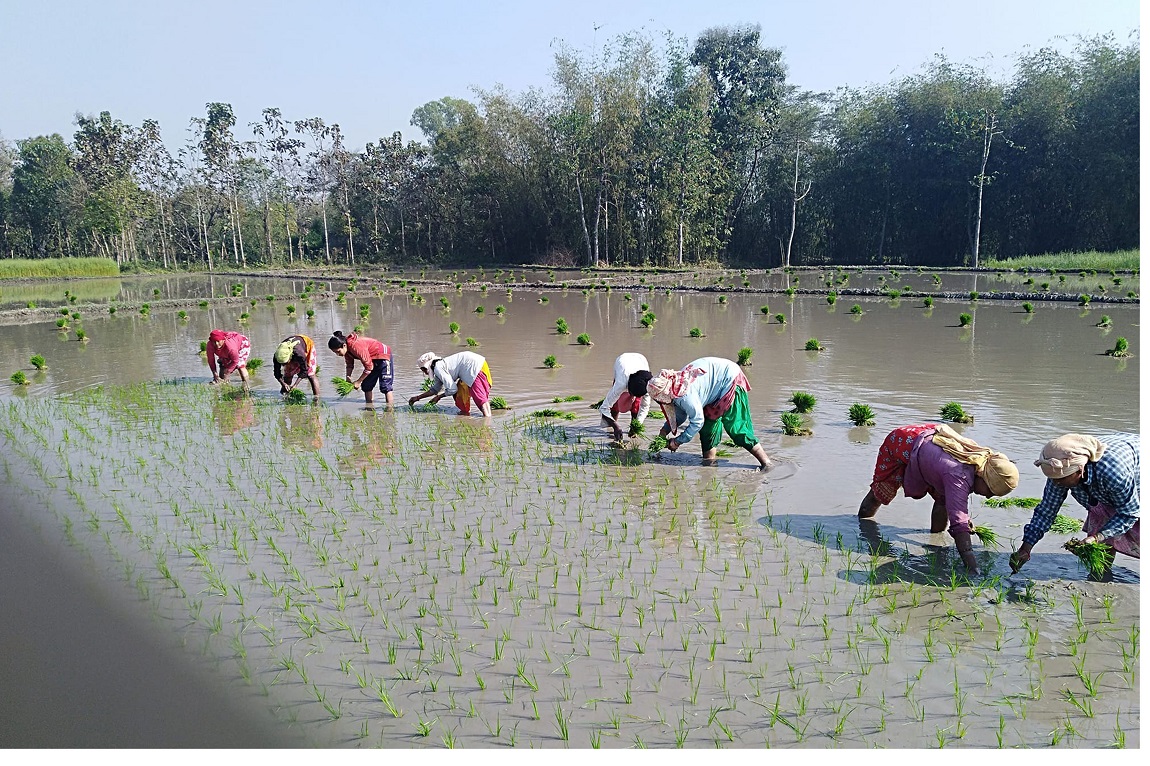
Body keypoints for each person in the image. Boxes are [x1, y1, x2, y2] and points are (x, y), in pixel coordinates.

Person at [858, 423, 1020, 574]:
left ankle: (935, 542)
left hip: (931, 444)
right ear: (984, 477)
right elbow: (958, 523)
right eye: (991, 491)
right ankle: (863, 528)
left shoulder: (980, 461)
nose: (989, 496)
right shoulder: (958, 475)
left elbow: (955, 506)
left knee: (943, 499)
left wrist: (962, 521)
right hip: (901, 442)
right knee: (881, 491)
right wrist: (972, 567)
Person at [1011, 433, 1139, 576]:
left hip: (1137, 473)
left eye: (1061, 479)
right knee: (1101, 517)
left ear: (1080, 470)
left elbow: (1129, 512)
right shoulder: (1060, 472)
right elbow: (1047, 510)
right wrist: (1026, 548)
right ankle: (1100, 574)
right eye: (1053, 479)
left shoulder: (1114, 473)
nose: (1056, 483)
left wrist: (1097, 537)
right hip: (1112, 483)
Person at [646, 357, 771, 470]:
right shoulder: (674, 388)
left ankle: (766, 463)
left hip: (728, 380)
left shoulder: (684, 395)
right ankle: (709, 465)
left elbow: (697, 422)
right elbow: (680, 415)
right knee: (707, 428)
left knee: (737, 429)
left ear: (664, 394)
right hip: (714, 386)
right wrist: (664, 431)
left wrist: (678, 441)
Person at [409, 351, 493, 417]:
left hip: (473, 367)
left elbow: (452, 389)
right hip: (479, 363)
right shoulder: (439, 366)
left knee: (479, 398)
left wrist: (439, 397)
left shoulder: (438, 368)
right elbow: (434, 390)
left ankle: (487, 423)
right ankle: (467, 415)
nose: (424, 373)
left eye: (423, 370)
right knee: (460, 395)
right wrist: (418, 398)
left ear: (426, 367)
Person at [327, 330, 393, 406]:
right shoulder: (347, 351)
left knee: (385, 386)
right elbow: (349, 365)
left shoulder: (356, 346)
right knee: (366, 385)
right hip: (372, 359)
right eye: (335, 353)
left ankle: (389, 411)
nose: (337, 354)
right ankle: (369, 408)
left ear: (344, 345)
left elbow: (368, 367)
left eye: (338, 351)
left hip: (383, 355)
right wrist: (348, 377)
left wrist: (358, 381)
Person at [599, 352, 653, 441]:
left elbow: (644, 407)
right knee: (615, 403)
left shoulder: (649, 386)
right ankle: (612, 429)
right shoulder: (620, 383)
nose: (631, 397)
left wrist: (637, 424)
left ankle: (633, 431)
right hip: (622, 360)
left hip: (640, 360)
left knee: (637, 404)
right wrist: (615, 426)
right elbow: (604, 408)